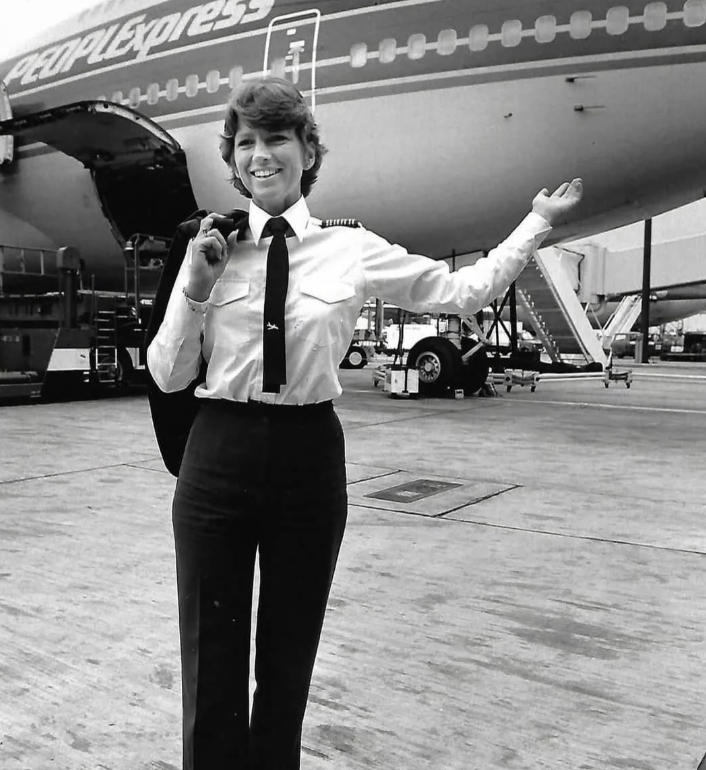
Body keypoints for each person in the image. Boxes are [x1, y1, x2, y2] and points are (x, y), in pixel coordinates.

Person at [146, 76, 583, 770]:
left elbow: (461, 293)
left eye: (277, 139)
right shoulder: (206, 248)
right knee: (210, 654)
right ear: (232, 160)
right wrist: (194, 292)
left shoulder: (352, 249)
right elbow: (168, 375)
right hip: (217, 453)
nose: (262, 156)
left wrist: (535, 223)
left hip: (307, 454)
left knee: (288, 656)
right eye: (247, 143)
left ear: (306, 150)